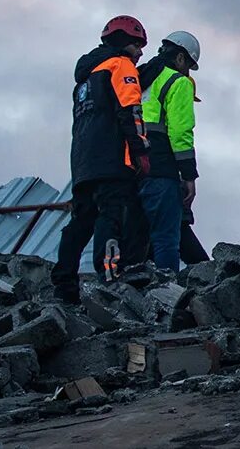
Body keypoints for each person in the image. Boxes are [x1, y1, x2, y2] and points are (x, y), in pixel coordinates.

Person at [53, 16, 152, 302]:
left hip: (83, 164)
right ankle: (110, 278)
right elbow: (130, 111)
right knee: (113, 216)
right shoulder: (121, 66)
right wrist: (141, 151)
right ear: (124, 42)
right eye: (137, 45)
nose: (140, 52)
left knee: (80, 222)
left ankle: (64, 285)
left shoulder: (85, 78)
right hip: (113, 161)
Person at [137, 31, 201, 272]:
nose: (188, 73)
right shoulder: (178, 82)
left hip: (131, 169)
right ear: (181, 59)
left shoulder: (138, 78)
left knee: (137, 240)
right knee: (166, 239)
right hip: (161, 169)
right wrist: (189, 176)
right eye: (190, 66)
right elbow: (180, 134)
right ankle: (167, 298)